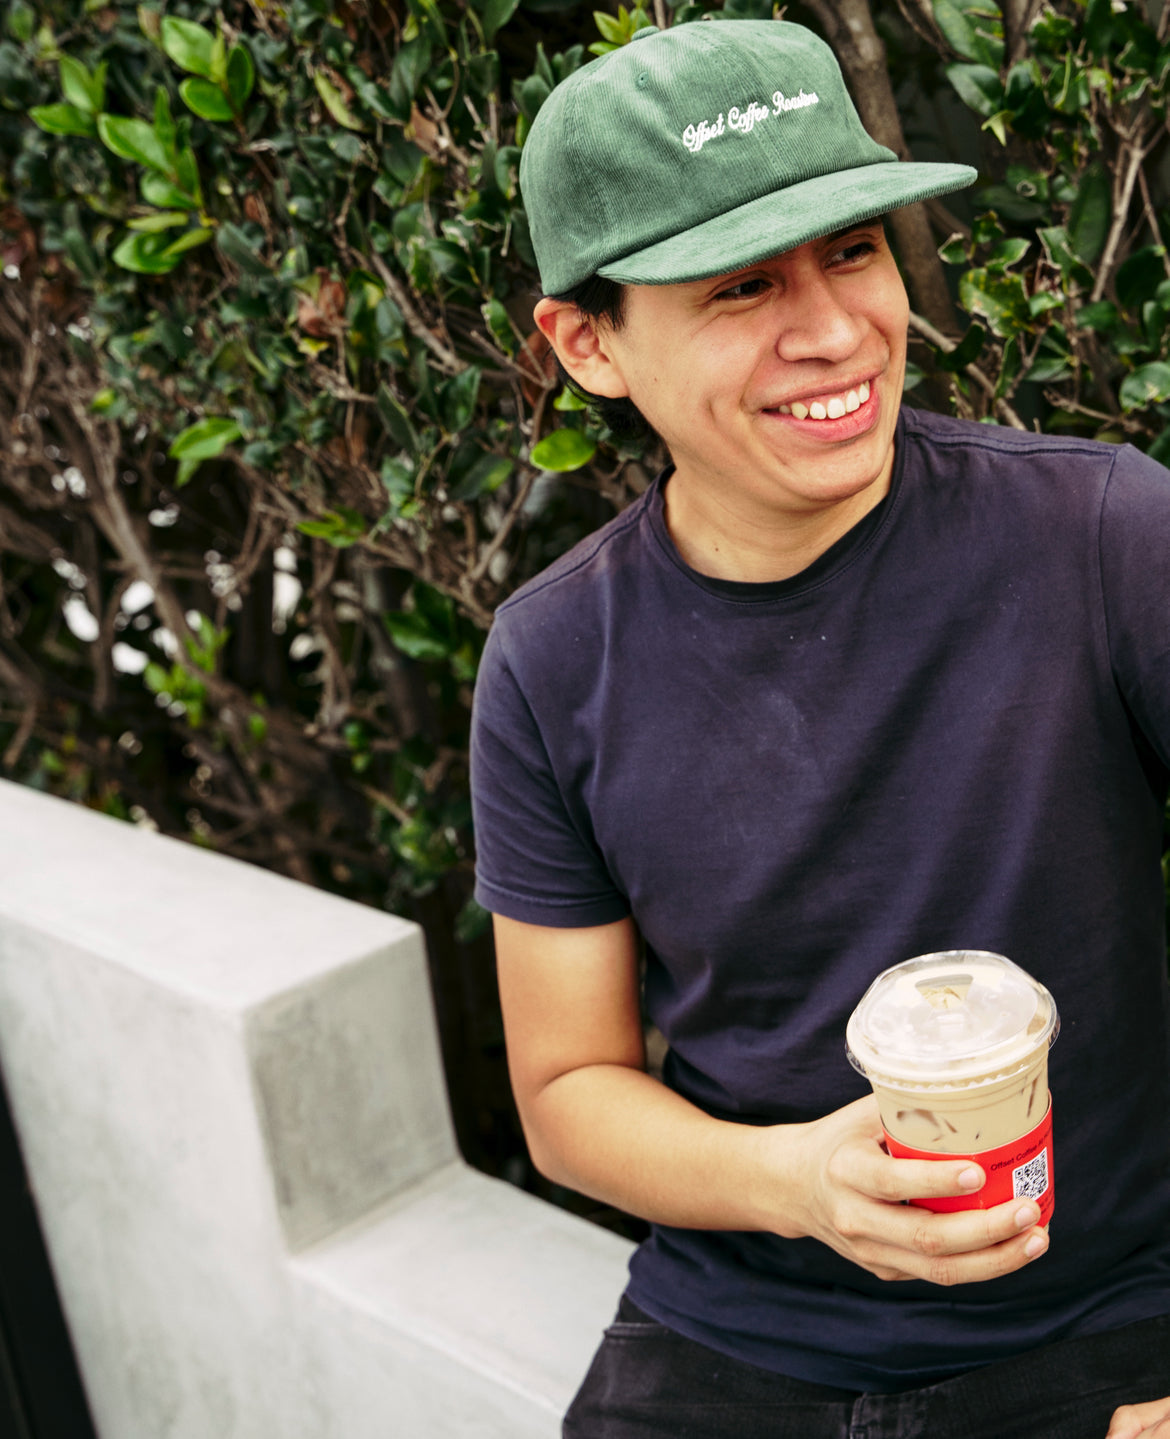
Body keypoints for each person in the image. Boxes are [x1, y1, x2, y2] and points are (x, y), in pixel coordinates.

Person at [469, 18, 1170, 1438]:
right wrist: (797, 1183)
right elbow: (566, 1089)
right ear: (587, 343)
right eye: (740, 285)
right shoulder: (553, 660)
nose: (836, 328)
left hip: (1105, 1310)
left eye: (850, 249)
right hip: (739, 1332)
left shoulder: (1100, 536)